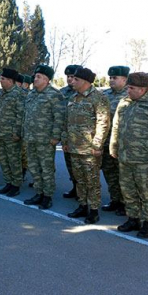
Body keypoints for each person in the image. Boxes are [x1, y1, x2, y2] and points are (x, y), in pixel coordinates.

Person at [110, 72, 148, 238]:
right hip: (125, 155)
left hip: (145, 159)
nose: (128, 90)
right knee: (128, 190)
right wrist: (114, 146)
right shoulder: (124, 103)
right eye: (128, 87)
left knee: (147, 191)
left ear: (144, 89)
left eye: (132, 88)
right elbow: (116, 126)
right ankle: (133, 218)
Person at [61, 67, 110, 224]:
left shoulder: (98, 98)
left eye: (76, 80)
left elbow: (103, 123)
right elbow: (66, 121)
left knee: (92, 180)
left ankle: (93, 210)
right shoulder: (73, 98)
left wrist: (97, 145)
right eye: (72, 79)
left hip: (89, 149)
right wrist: (66, 141)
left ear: (86, 82)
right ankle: (82, 205)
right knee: (79, 179)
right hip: (74, 147)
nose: (72, 82)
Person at [22, 65, 65, 210]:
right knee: (34, 167)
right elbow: (26, 115)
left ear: (47, 80)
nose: (35, 79)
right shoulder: (32, 94)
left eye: (39, 77)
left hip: (45, 140)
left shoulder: (54, 95)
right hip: (30, 138)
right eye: (35, 76)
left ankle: (47, 196)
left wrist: (55, 136)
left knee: (46, 169)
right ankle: (39, 192)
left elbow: (59, 117)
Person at [101, 65, 129, 216]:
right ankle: (115, 200)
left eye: (115, 78)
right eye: (110, 77)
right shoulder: (105, 95)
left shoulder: (129, 96)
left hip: (121, 143)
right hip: (106, 142)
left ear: (124, 79)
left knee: (122, 175)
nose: (111, 80)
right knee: (109, 173)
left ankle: (125, 203)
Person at [0, 67, 25, 197]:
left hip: (11, 135)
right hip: (0, 133)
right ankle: (8, 182)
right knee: (3, 160)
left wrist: (17, 133)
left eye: (3, 79)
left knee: (14, 160)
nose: (0, 81)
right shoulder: (2, 94)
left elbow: (20, 115)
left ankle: (16, 185)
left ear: (11, 81)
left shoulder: (19, 94)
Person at [60, 65, 82, 199]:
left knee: (81, 168)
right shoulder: (62, 92)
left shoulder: (84, 93)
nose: (70, 79)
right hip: (66, 133)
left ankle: (82, 192)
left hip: (80, 136)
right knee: (70, 165)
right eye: (68, 77)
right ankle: (75, 187)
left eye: (73, 77)